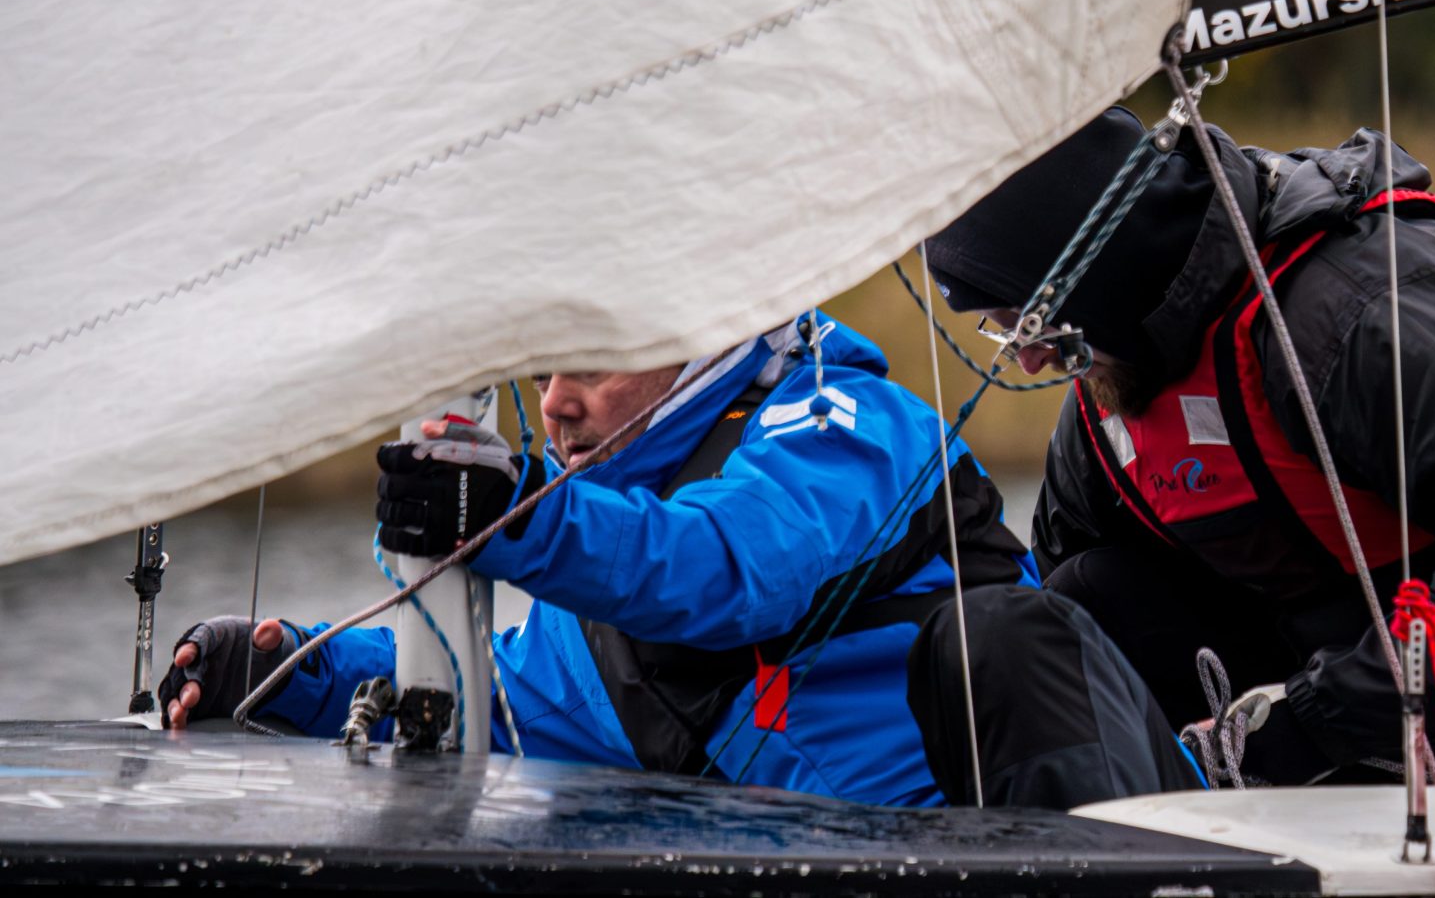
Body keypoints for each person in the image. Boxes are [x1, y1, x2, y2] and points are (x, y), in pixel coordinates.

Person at [923, 108, 1435, 786]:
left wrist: (1315, 720)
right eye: (998, 326)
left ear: (1100, 272)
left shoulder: (1359, 310)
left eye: (1030, 318)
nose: (1024, 356)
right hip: (1379, 688)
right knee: (1068, 605)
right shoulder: (1111, 393)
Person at [157, 311, 1195, 808]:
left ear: (704, 344)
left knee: (1006, 634)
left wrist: (514, 512)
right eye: (545, 369)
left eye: (593, 365)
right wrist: (288, 670)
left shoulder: (840, 415)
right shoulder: (589, 576)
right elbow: (501, 703)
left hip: (1065, 829)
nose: (556, 400)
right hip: (836, 877)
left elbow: (731, 568)